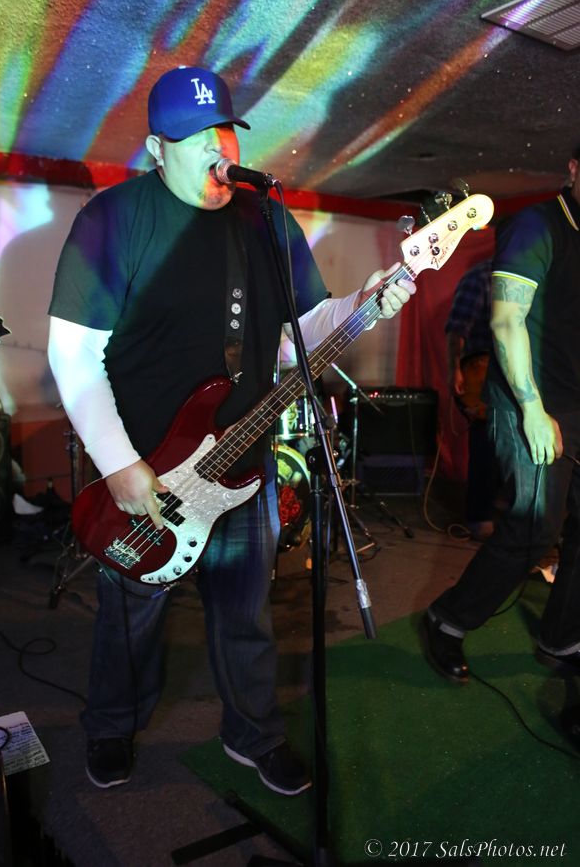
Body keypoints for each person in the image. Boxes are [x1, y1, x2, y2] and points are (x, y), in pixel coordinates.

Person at [47, 65, 415, 793]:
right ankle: (112, 724)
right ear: (157, 149)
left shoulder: (264, 218)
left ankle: (255, 734)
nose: (218, 149)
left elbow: (305, 328)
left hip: (244, 456)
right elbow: (73, 351)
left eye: (224, 130)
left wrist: (365, 303)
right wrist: (118, 463)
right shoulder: (114, 219)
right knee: (133, 611)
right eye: (194, 137)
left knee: (245, 611)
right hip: (148, 465)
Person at [423, 145, 580, 690]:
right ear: (574, 169)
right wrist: (533, 410)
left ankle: (562, 635)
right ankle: (447, 620)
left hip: (577, 403)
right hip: (528, 402)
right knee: (534, 530)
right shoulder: (536, 226)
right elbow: (507, 321)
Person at [445, 257, 498, 540]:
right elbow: (457, 327)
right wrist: (454, 368)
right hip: (483, 376)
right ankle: (480, 517)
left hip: (517, 375)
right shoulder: (480, 277)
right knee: (485, 446)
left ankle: (508, 515)